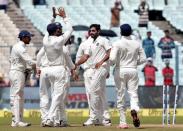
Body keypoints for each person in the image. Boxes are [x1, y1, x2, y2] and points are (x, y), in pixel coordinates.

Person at [37, 7, 73, 127]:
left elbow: (48, 28)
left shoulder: (45, 40)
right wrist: (64, 17)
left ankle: (45, 118)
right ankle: (50, 118)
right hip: (58, 69)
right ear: (56, 30)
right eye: (58, 29)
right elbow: (70, 29)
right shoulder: (59, 41)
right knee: (57, 96)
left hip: (46, 70)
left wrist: (53, 17)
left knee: (44, 95)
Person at [109, 24, 146, 128]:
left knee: (120, 95)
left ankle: (123, 122)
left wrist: (113, 64)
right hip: (133, 70)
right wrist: (134, 63)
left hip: (120, 70)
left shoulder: (117, 43)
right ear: (130, 32)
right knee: (133, 93)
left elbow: (111, 60)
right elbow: (143, 59)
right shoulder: (137, 43)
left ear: (121, 32)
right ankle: (134, 108)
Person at [75, 24, 111, 126]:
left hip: (101, 68)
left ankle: (94, 117)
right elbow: (85, 56)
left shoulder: (104, 40)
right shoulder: (88, 43)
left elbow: (110, 52)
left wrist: (106, 67)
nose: (91, 32)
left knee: (94, 91)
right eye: (90, 31)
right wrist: (76, 66)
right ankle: (103, 118)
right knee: (98, 93)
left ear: (98, 31)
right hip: (90, 69)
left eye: (93, 31)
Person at [9, 30, 36, 127]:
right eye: (29, 37)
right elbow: (29, 61)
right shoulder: (20, 47)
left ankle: (15, 120)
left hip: (16, 72)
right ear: (24, 37)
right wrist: (42, 65)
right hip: (17, 72)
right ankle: (17, 121)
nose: (30, 38)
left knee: (16, 96)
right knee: (17, 96)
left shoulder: (17, 46)